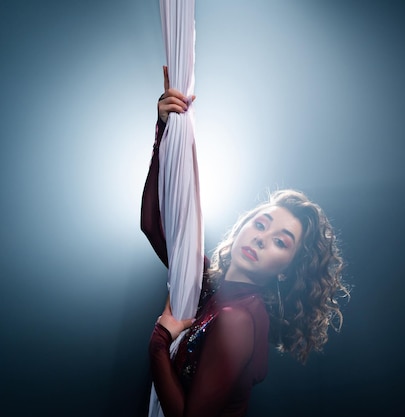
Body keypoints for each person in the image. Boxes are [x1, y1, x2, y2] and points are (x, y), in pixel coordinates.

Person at [141, 67, 350, 417]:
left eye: (281, 243)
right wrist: (164, 131)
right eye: (261, 223)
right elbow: (153, 226)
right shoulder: (208, 284)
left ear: (286, 271)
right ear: (243, 226)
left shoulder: (238, 319)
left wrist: (159, 344)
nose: (261, 238)